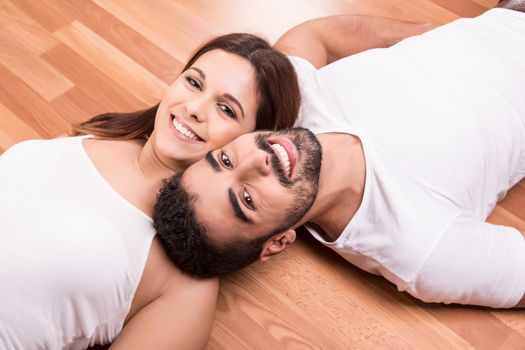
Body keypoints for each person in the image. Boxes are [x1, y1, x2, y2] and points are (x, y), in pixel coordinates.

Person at [153, 1, 525, 308]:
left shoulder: (293, 104)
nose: (257, 160)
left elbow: (312, 36)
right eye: (247, 199)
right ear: (278, 242)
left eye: (226, 161)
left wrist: (433, 34)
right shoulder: (421, 250)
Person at [0, 33, 301, 349]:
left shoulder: (186, 285)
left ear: (249, 143)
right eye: (195, 83)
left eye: (226, 109)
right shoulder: (103, 134)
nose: (195, 108)